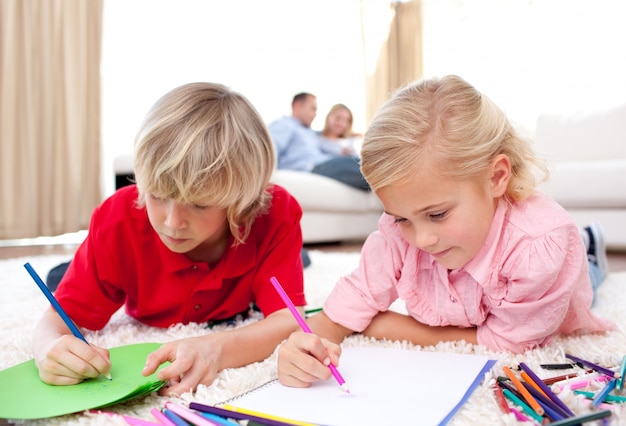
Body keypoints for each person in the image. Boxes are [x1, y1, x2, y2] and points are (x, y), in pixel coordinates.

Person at [276, 75, 615, 389]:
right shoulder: (400, 231)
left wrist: (387, 326)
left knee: (587, 277)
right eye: (400, 218)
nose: (421, 239)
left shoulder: (539, 247)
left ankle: (588, 245)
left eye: (437, 214)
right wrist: (307, 343)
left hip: (558, 273)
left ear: (496, 178)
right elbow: (350, 302)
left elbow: (510, 341)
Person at [32, 82, 307, 396]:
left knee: (299, 263)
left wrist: (214, 348)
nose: (172, 223)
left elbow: (290, 320)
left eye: (200, 204)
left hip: (246, 260)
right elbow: (55, 320)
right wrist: (48, 348)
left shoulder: (276, 213)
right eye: (157, 195)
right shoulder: (117, 220)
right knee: (60, 277)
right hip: (116, 253)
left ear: (241, 202)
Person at [268, 93, 369, 191]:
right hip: (313, 167)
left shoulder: (308, 131)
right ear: (298, 106)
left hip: (324, 163)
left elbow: (329, 141)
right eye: (313, 108)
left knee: (359, 162)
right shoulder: (285, 124)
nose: (315, 114)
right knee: (359, 165)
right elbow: (269, 148)